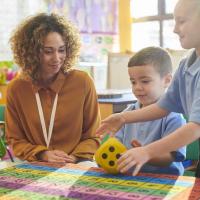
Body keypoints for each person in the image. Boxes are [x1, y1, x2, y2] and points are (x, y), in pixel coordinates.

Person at [96, 0, 200, 177]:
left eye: (182, 21)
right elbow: (163, 107)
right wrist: (123, 117)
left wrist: (147, 152)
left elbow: (196, 127)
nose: (175, 29)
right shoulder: (186, 63)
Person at [6, 13, 100, 164]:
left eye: (61, 50)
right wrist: (43, 154)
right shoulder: (16, 88)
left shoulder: (82, 82)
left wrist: (74, 158)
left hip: (77, 161)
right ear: (31, 53)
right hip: (34, 161)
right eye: (48, 51)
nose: (57, 58)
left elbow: (93, 135)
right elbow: (15, 139)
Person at [115, 47, 186, 175]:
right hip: (130, 177)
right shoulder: (127, 113)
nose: (137, 87)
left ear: (167, 80)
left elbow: (169, 158)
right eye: (133, 82)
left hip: (165, 180)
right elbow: (116, 146)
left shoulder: (173, 116)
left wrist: (145, 153)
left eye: (145, 81)